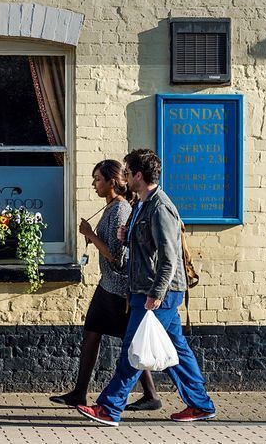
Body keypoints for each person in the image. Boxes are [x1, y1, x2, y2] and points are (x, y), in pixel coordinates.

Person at [77, 149, 217, 427]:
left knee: (133, 348)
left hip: (157, 291)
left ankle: (109, 407)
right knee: (178, 349)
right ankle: (200, 404)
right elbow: (147, 247)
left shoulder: (160, 207)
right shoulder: (143, 203)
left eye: (127, 173)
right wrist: (126, 237)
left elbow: (169, 257)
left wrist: (156, 293)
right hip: (145, 288)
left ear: (139, 175)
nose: (125, 177)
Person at [50, 160, 160, 411]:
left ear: (113, 182)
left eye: (98, 179)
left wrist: (90, 234)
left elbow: (117, 257)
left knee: (128, 340)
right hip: (108, 284)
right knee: (93, 333)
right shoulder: (111, 208)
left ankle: (150, 394)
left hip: (118, 288)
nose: (93, 184)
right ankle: (80, 392)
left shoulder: (120, 209)